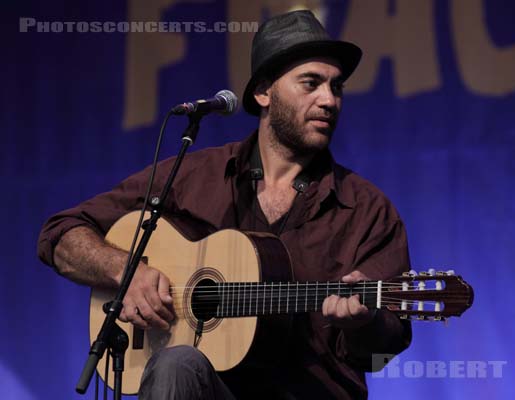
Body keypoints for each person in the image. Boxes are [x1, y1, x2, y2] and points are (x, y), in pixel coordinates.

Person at [37, 10, 412, 400]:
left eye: (337, 88)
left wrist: (364, 323)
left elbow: (382, 353)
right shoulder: (193, 176)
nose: (329, 100)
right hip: (205, 389)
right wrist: (124, 272)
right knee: (177, 362)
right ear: (263, 92)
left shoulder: (367, 210)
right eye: (311, 84)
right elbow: (61, 234)